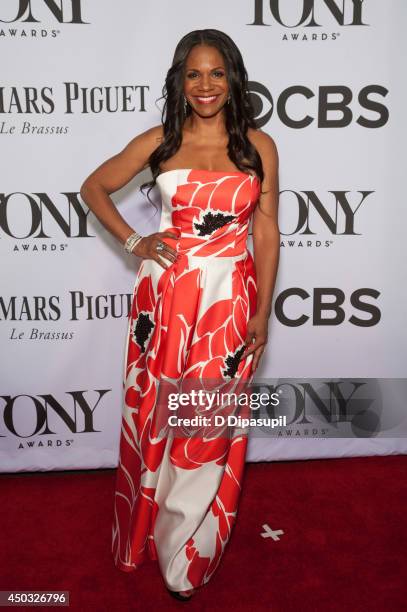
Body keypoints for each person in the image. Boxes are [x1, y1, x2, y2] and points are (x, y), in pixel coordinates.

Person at [80, 28, 280, 601]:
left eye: (216, 72)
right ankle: (152, 530)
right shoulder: (161, 142)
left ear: (233, 78)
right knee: (162, 417)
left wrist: (261, 312)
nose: (205, 84)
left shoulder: (257, 146)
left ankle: (186, 551)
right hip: (167, 299)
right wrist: (134, 242)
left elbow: (265, 231)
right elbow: (94, 187)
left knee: (206, 423)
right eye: (193, 73)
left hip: (230, 298)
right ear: (179, 81)